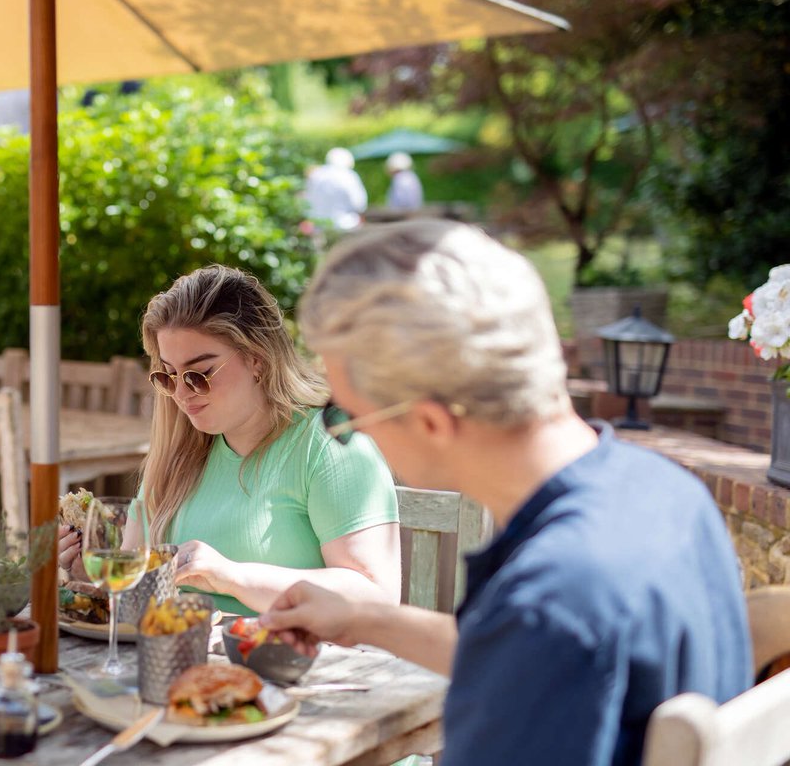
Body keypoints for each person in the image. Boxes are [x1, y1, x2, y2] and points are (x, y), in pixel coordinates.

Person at [261, 220, 751, 766]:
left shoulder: (553, 600)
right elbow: (536, 663)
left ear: (430, 422)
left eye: (345, 416)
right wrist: (362, 619)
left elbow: (542, 643)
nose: (349, 435)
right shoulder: (667, 493)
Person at [58, 265, 400, 615]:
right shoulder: (178, 452)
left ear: (257, 359)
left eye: (200, 374)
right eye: (169, 375)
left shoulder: (330, 443)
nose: (180, 393)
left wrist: (232, 577)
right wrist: (87, 572)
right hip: (180, 658)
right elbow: (136, 589)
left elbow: (375, 596)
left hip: (288, 662)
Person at [303, 147, 368, 232]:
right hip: (346, 226)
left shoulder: (316, 175)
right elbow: (359, 203)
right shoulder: (349, 175)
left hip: (319, 226)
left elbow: (307, 201)